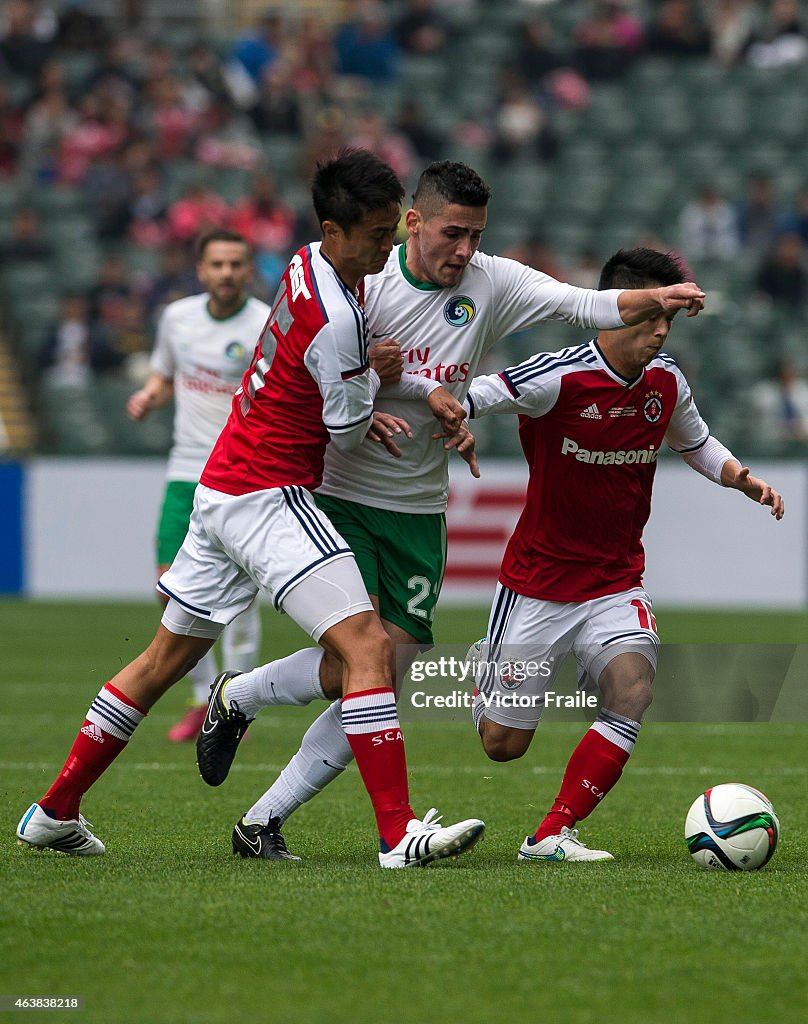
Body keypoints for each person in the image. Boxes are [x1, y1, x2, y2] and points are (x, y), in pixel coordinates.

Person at [197, 162, 708, 860]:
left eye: (475, 236)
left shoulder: (492, 281)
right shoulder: (364, 277)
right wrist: (397, 383)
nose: (463, 250)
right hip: (342, 493)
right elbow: (315, 372)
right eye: (452, 234)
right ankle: (359, 827)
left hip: (418, 505)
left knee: (379, 670)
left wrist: (659, 296)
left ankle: (247, 731)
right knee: (365, 659)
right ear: (413, 222)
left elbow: (582, 307)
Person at [16, 148, 485, 869]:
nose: (386, 246)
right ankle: (398, 838)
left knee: (161, 660)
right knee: (369, 648)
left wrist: (366, 388)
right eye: (374, 233)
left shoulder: (301, 265)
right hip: (270, 495)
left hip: (222, 488)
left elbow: (329, 394)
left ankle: (54, 811)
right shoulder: (339, 317)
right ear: (333, 229)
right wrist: (376, 381)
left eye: (394, 229)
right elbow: (343, 428)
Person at [462, 247, 783, 862]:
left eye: (668, 320)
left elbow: (697, 442)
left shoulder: (666, 383)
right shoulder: (558, 377)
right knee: (503, 745)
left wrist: (742, 478)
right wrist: (455, 415)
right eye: (650, 316)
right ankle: (489, 674)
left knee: (633, 690)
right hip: (539, 583)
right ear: (615, 311)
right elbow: (478, 392)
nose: (661, 331)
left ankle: (551, 834)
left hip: (616, 581)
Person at [126, 229, 271, 742]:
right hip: (184, 472)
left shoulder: (263, 323)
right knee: (172, 591)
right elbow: (165, 375)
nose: (227, 272)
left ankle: (238, 706)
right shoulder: (177, 318)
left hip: (239, 474)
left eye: (236, 263)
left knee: (240, 599)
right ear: (201, 268)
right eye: (218, 264)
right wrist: (148, 395)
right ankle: (203, 699)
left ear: (249, 268)